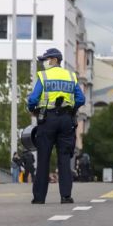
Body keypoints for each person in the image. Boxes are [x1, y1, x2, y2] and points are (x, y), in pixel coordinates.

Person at [26, 48, 85, 204]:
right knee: (64, 159)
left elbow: (33, 99)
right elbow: (81, 98)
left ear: (54, 60)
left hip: (47, 120)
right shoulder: (71, 76)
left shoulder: (44, 76)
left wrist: (33, 110)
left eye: (46, 59)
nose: (45, 63)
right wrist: (71, 108)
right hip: (66, 120)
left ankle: (39, 197)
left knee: (44, 158)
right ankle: (66, 196)